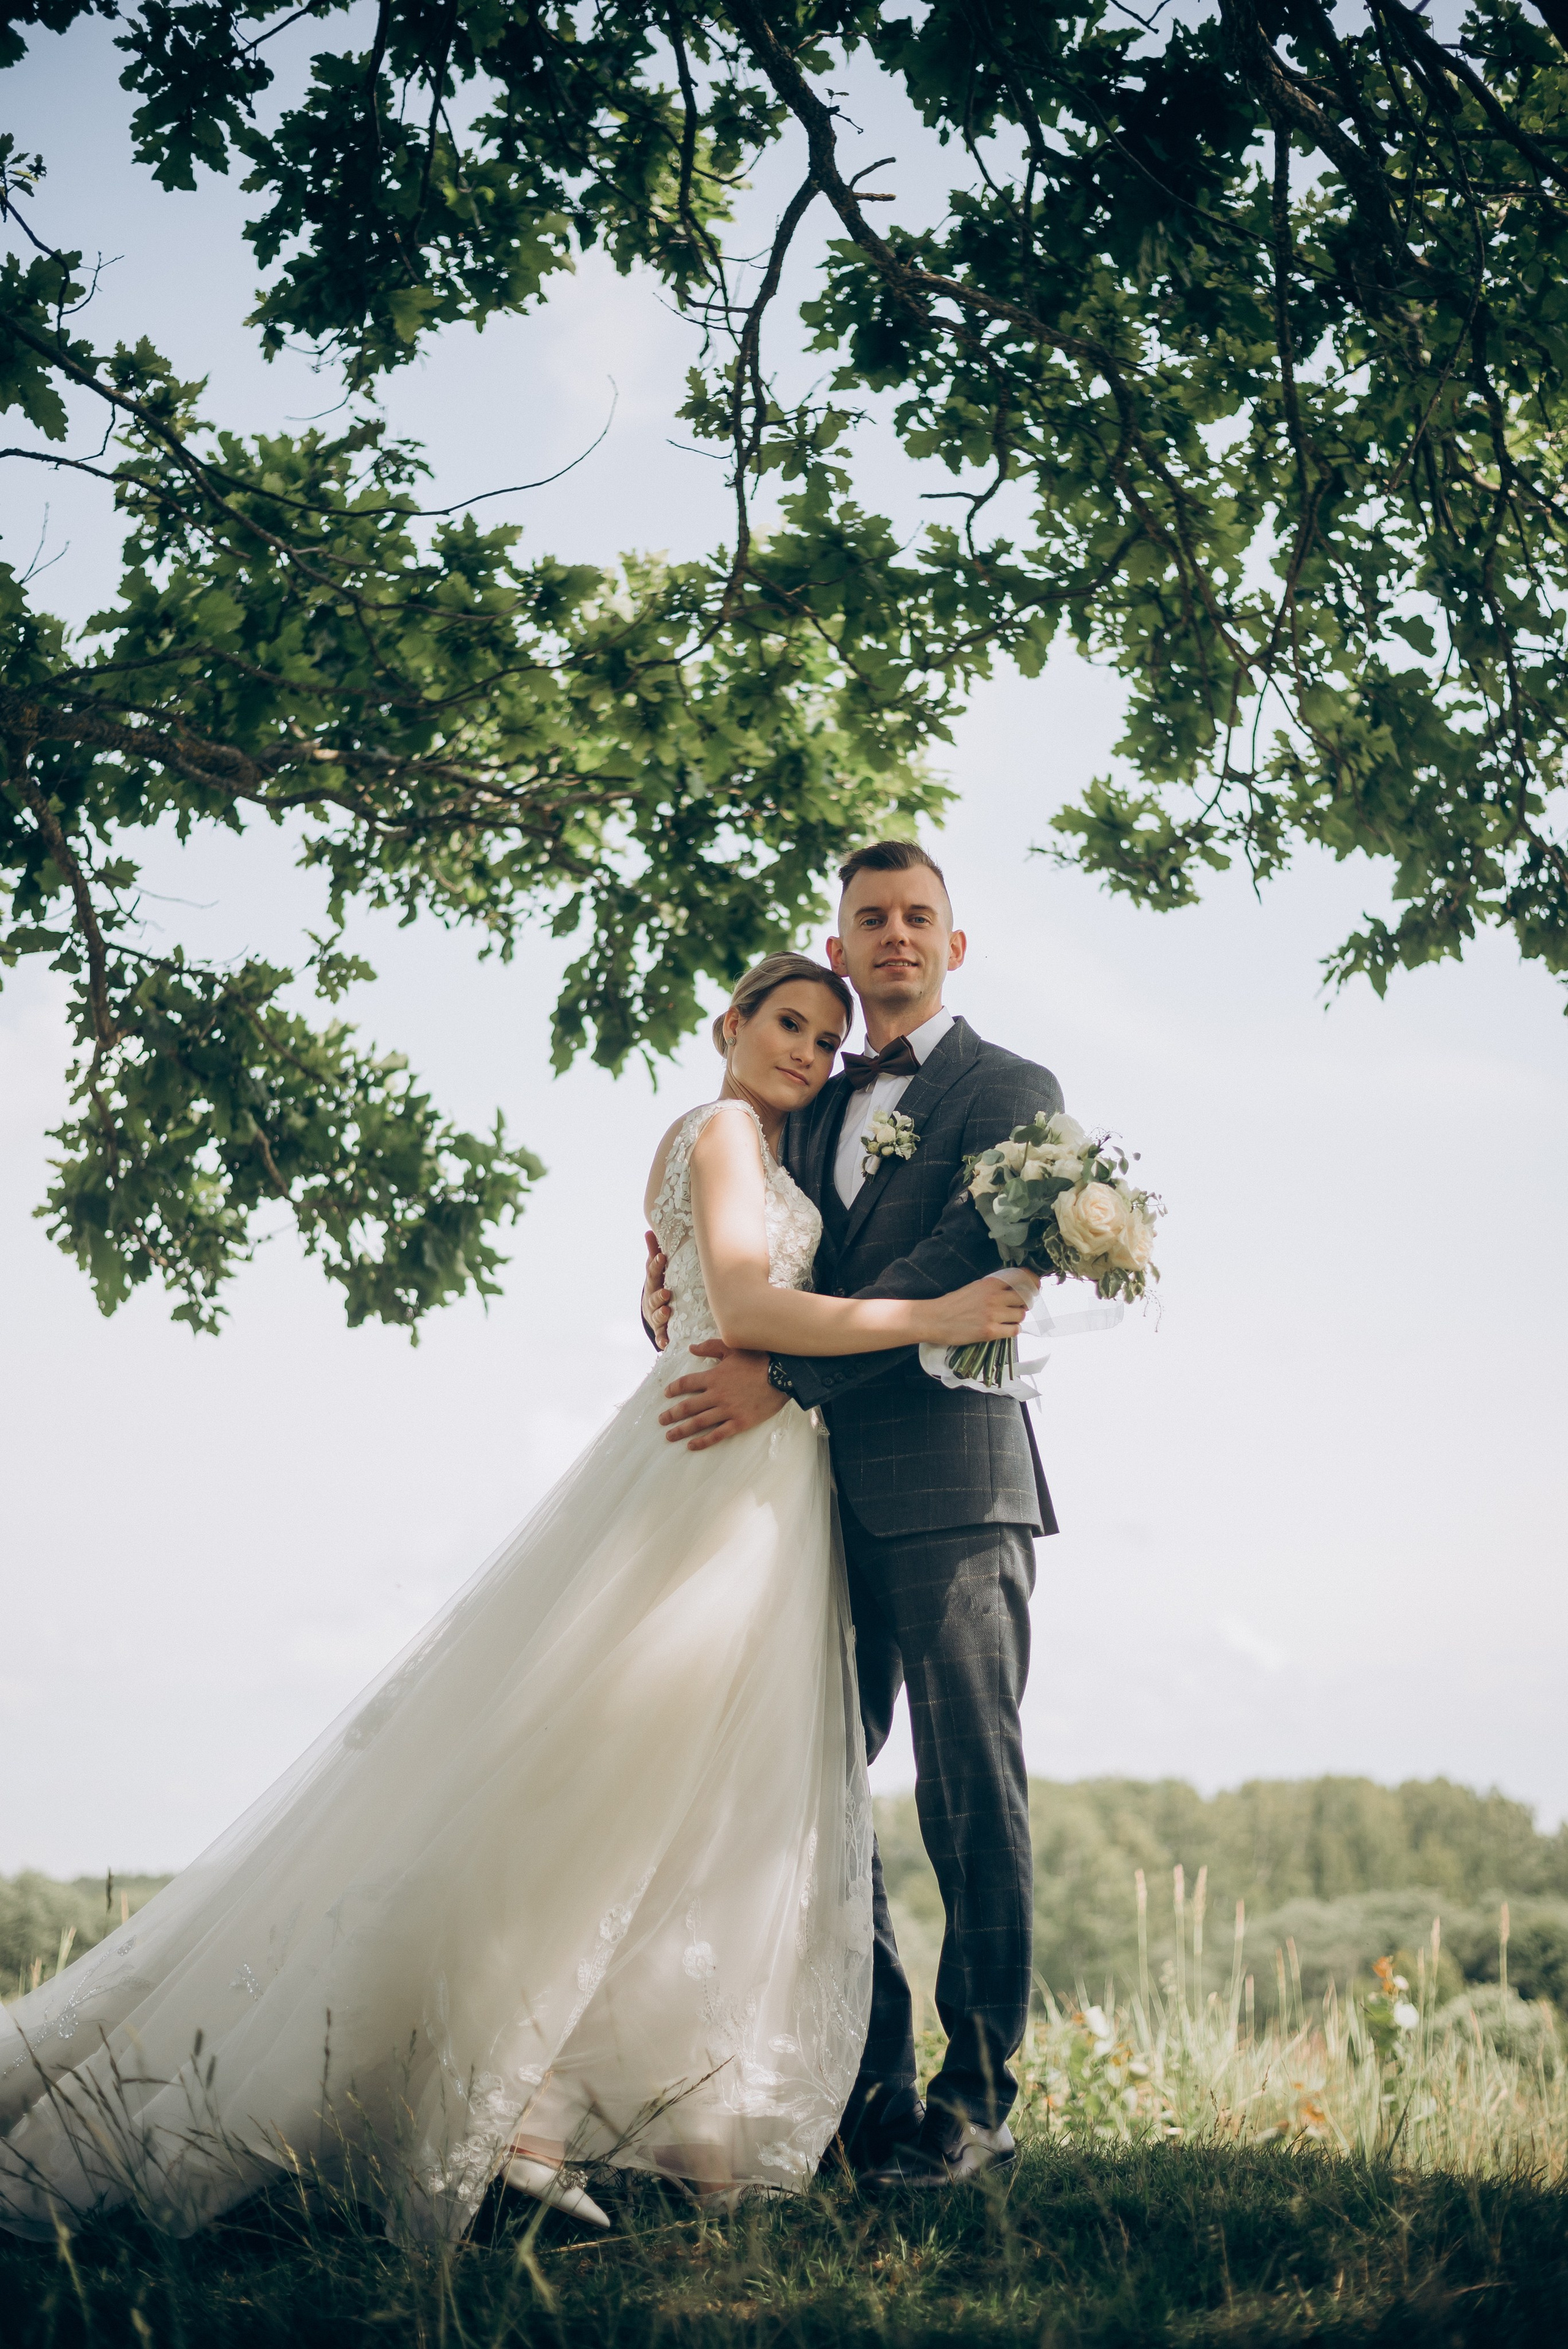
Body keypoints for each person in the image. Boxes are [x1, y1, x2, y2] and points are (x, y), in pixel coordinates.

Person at [0, 951, 1030, 2244]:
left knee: (715, 1801)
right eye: (788, 1024)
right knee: (608, 1780)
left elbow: (705, 1287)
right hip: (711, 1471)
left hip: (769, 1487)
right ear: (730, 1022)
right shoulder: (719, 1128)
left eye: (826, 1040)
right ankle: (524, 2107)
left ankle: (680, 2114)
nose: (810, 1053)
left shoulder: (770, 1143)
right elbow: (755, 1299)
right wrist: (932, 1312)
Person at [645, 843, 1063, 2187]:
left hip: (951, 1486)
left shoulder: (1010, 1092)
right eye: (869, 919)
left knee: (966, 1795)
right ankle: (867, 2086)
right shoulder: (807, 1109)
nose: (893, 936)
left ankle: (976, 2098)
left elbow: (955, 1260)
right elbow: (745, 1258)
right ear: (839, 947)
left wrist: (785, 1368)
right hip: (809, 1501)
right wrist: (674, 1297)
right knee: (821, 1797)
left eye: (916, 917)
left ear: (956, 942)